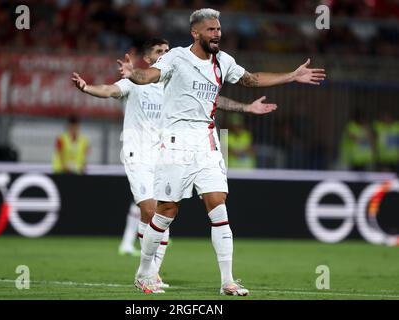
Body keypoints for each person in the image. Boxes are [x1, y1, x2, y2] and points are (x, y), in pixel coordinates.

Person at [117, 8, 325, 295]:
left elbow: (250, 79)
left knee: (219, 206)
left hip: (208, 140)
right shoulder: (177, 57)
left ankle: (227, 281)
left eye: (218, 29)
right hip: (176, 142)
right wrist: (133, 75)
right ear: (196, 32)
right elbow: (150, 75)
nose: (217, 33)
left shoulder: (223, 61)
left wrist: (291, 76)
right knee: (166, 211)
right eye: (211, 29)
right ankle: (143, 272)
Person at [73, 37, 276, 293]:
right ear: (148, 58)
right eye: (159, 51)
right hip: (138, 155)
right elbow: (110, 90)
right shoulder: (138, 82)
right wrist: (87, 87)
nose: (165, 54)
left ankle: (153, 273)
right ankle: (146, 272)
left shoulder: (172, 81)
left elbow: (214, 100)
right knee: (150, 210)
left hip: (167, 153)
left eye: (167, 51)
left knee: (164, 213)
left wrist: (246, 107)